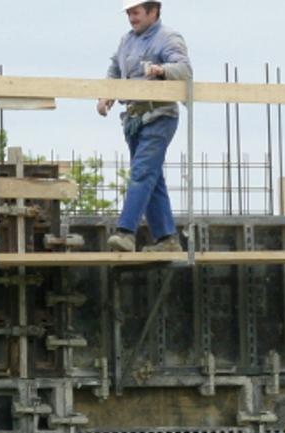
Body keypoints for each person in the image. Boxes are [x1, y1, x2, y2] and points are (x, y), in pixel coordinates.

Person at [97, 1, 191, 254]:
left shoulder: (168, 37)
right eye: (129, 13)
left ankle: (126, 232)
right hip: (135, 119)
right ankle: (167, 239)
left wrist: (163, 70)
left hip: (159, 115)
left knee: (141, 173)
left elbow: (184, 69)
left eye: (135, 12)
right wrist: (107, 95)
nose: (131, 18)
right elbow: (115, 71)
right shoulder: (126, 41)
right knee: (152, 177)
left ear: (153, 11)